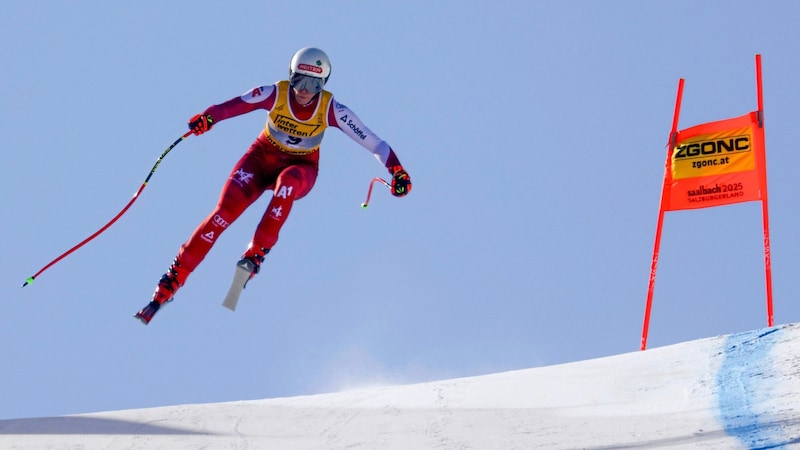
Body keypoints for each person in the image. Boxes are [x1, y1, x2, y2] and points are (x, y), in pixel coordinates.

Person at [135, 47, 411, 325]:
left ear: (324, 84)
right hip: (260, 161)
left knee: (287, 183)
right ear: (290, 76)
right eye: (299, 81)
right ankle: (168, 285)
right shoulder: (274, 93)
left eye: (314, 84)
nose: (304, 90)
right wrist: (208, 118)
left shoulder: (331, 109)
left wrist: (396, 170)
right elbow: (232, 106)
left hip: (300, 168)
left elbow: (374, 143)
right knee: (222, 214)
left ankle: (254, 255)